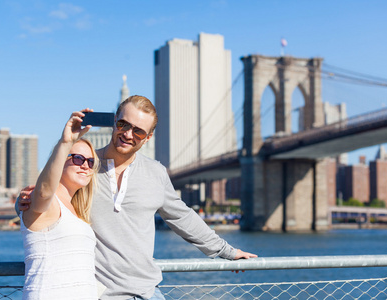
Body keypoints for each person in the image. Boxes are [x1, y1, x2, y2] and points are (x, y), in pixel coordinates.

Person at [18, 95, 257, 300]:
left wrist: (227, 251)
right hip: (103, 295)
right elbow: (47, 199)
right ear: (115, 122)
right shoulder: (84, 165)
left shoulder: (156, 173)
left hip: (149, 293)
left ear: (148, 137)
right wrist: (21, 206)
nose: (128, 134)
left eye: (139, 131)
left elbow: (183, 218)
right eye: (123, 124)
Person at [19, 111, 99, 299]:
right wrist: (65, 142)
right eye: (78, 158)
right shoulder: (47, 202)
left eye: (90, 161)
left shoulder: (77, 212)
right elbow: (44, 190)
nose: (85, 166)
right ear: (60, 160)